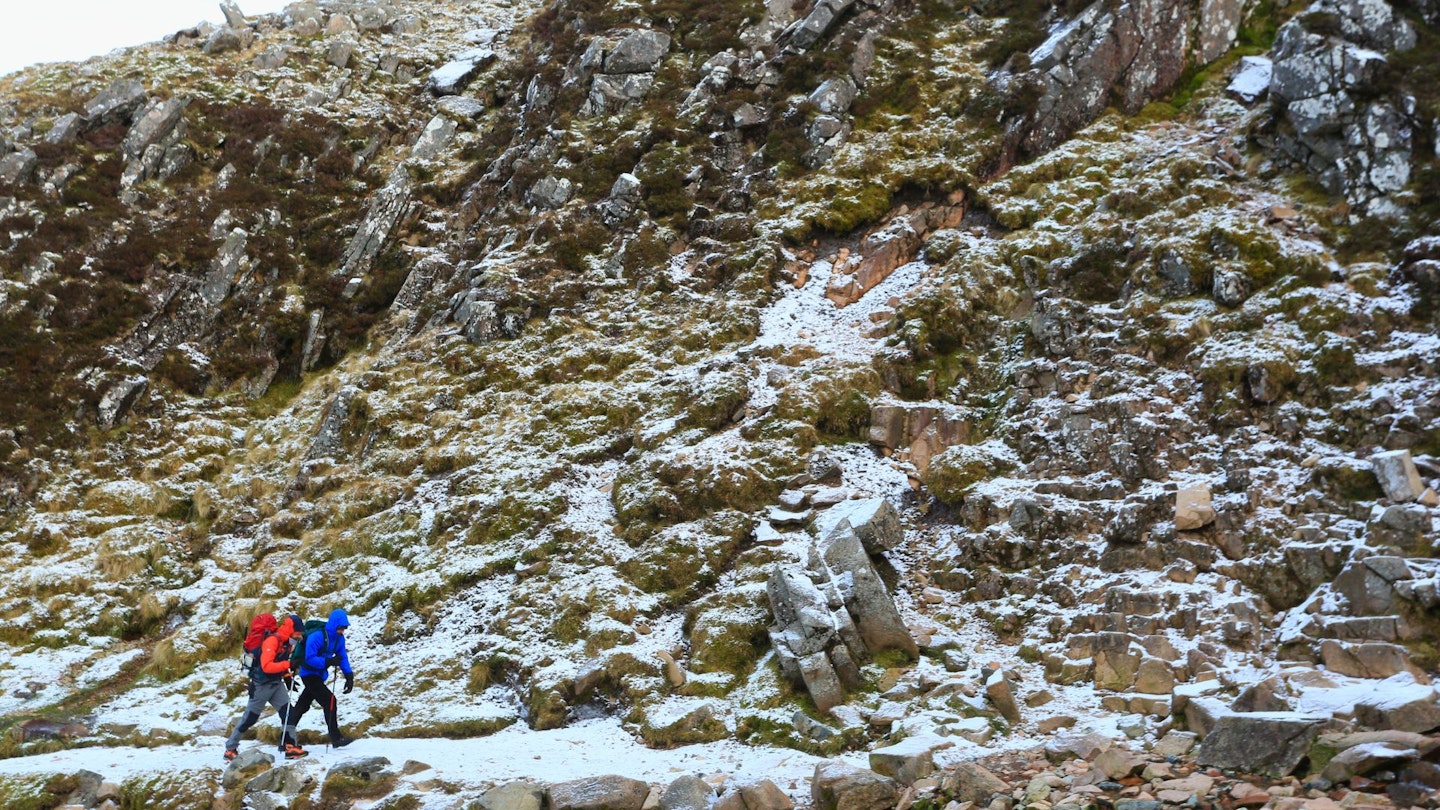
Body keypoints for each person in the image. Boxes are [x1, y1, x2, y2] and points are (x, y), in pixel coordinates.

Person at [225, 614, 308, 762]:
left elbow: (279, 661)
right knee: (250, 718)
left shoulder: (286, 643)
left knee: (288, 712)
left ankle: (290, 745)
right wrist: (289, 665)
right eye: (298, 633)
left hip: (276, 684)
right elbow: (267, 666)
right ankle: (230, 748)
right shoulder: (272, 641)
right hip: (261, 686)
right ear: (291, 630)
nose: (299, 637)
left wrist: (287, 677)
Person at [286, 608, 355, 748]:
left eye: (344, 628)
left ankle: (285, 738)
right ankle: (336, 739)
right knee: (330, 701)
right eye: (340, 628)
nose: (342, 631)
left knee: (302, 706)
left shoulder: (339, 639)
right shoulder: (317, 636)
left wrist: (349, 675)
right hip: (308, 674)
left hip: (319, 675)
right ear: (334, 624)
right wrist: (328, 662)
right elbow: (309, 658)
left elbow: (342, 657)